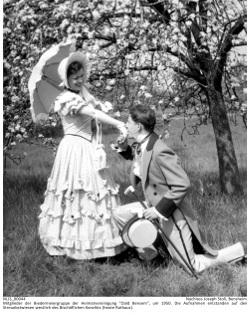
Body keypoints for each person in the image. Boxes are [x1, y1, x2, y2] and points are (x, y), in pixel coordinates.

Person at [113, 104, 247, 274]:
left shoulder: (160, 150)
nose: (126, 126)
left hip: (170, 212)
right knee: (119, 214)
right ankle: (153, 257)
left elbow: (182, 184)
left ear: (138, 126)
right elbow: (141, 163)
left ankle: (241, 249)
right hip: (152, 204)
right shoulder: (143, 145)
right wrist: (125, 149)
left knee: (191, 267)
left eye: (128, 122)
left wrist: (158, 210)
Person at [38, 51, 128, 260]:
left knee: (95, 191)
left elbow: (96, 108)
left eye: (81, 76)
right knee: (78, 191)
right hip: (75, 149)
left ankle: (99, 244)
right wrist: (118, 123)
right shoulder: (67, 98)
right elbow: (95, 114)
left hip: (86, 146)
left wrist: (95, 100)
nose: (80, 80)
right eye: (75, 78)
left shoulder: (81, 95)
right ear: (66, 79)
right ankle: (73, 243)